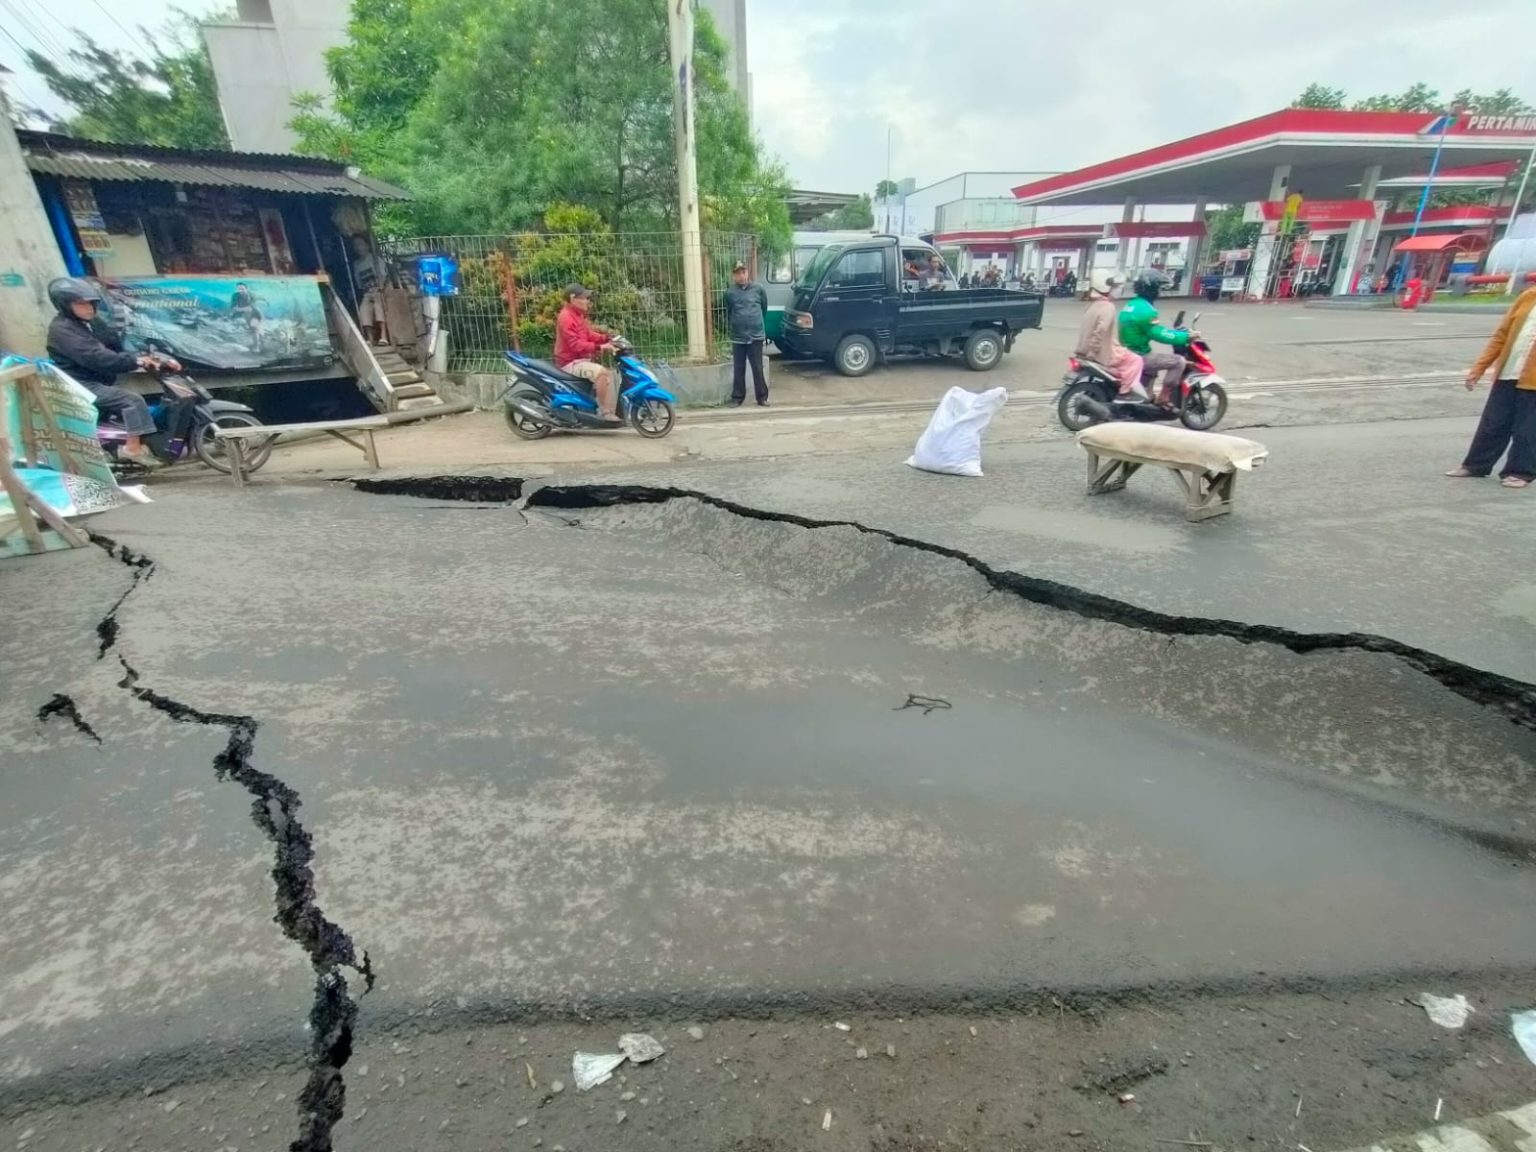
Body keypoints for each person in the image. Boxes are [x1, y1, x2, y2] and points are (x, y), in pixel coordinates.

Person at [45, 277, 178, 469]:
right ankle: (132, 449)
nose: (89, 308)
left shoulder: (90, 323)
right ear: (65, 305)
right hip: (79, 384)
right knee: (132, 401)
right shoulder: (63, 330)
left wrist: (147, 354)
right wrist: (135, 361)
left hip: (96, 379)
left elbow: (113, 344)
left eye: (92, 303)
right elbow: (96, 357)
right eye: (81, 304)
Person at [1446, 285, 1536, 489]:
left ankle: (1520, 472)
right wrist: (1478, 369)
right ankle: (1476, 465)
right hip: (1509, 372)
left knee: (1528, 429)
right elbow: (1501, 336)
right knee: (1493, 423)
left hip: (1533, 380)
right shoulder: (1528, 297)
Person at [1118, 271, 1190, 405]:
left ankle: (1147, 393)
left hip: (1126, 350)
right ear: (1151, 289)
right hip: (1138, 354)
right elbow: (1158, 333)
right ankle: (1164, 398)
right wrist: (1185, 336)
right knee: (1179, 362)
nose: (1159, 292)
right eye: (1157, 288)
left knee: (1155, 360)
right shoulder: (1146, 310)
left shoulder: (1131, 305)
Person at [553, 283, 619, 420]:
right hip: (570, 363)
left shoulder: (577, 315)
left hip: (580, 360)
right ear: (572, 298)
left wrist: (606, 338)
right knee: (602, 373)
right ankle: (604, 412)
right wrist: (599, 347)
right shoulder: (566, 317)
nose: (587, 301)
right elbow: (575, 345)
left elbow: (588, 334)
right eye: (584, 298)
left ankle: (600, 408)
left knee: (609, 374)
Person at [1075, 271, 1145, 398]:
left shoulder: (1091, 305)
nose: (1118, 290)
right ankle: (1125, 392)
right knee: (1137, 360)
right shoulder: (1108, 307)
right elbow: (1100, 331)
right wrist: (1092, 352)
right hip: (1101, 353)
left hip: (1083, 351)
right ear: (1106, 288)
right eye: (1115, 287)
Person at [723, 261, 769, 407]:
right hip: (738, 336)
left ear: (748, 273)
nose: (741, 276)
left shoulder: (758, 289)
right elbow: (728, 312)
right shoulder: (730, 292)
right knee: (739, 368)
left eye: (743, 272)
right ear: (734, 276)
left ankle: (762, 398)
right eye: (738, 273)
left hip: (756, 335)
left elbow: (764, 308)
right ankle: (737, 398)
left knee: (757, 368)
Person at [350, 235, 387, 345]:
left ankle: (383, 336)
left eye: (360, 244)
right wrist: (366, 292)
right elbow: (359, 284)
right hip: (367, 292)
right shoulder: (356, 264)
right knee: (363, 308)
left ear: (367, 246)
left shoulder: (375, 259)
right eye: (355, 245)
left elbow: (384, 276)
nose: (358, 248)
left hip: (379, 290)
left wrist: (379, 288)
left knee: (378, 306)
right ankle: (370, 338)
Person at [230, 281, 263, 347]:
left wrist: (240, 309)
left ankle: (257, 347)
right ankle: (258, 344)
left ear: (246, 289)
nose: (241, 290)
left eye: (242, 289)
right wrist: (240, 309)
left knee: (255, 329)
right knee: (253, 330)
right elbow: (233, 307)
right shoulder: (235, 295)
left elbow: (251, 308)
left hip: (255, 313)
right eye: (239, 289)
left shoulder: (252, 295)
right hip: (244, 314)